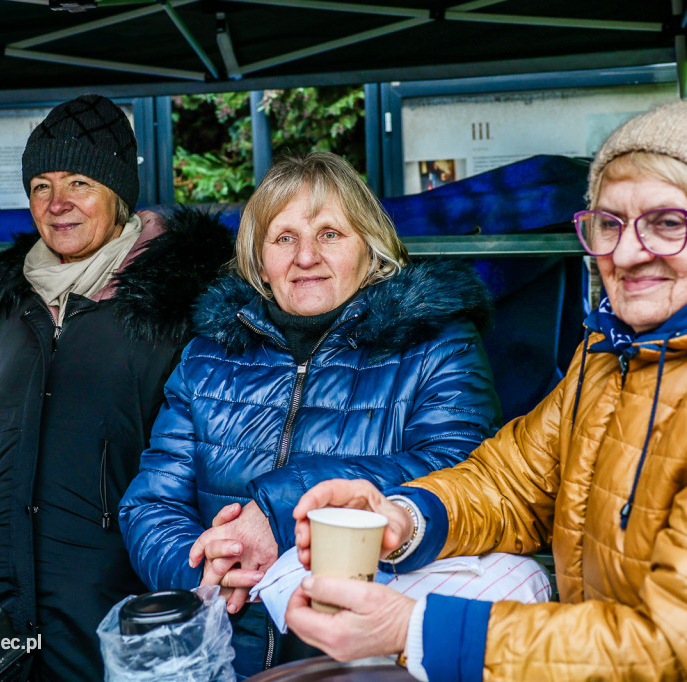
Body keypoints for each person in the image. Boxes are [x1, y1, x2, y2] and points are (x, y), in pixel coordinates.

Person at [284, 97, 687, 681]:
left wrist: (414, 629)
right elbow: (515, 481)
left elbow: (679, 651)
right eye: (609, 223)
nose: (625, 254)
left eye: (666, 224)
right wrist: (403, 516)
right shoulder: (621, 350)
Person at [118, 151, 502, 678]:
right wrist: (204, 567)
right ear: (259, 261)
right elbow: (151, 503)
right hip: (228, 653)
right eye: (284, 238)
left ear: (370, 248)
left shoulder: (437, 343)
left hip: (367, 657)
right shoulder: (208, 356)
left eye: (329, 234)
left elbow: (463, 471)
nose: (305, 257)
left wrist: (280, 505)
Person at [0, 93, 234, 682]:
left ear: (118, 195)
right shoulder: (14, 301)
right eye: (41, 186)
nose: (57, 204)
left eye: (79, 183)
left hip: (108, 584)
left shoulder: (173, 303)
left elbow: (206, 446)